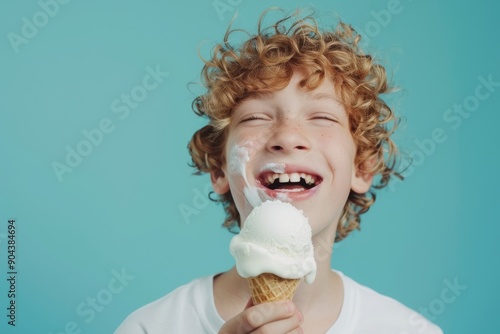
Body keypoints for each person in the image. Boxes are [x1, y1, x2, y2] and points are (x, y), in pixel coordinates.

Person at [115, 8, 443, 334]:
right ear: (219, 170)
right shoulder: (149, 327)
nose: (287, 137)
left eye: (322, 117)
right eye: (256, 117)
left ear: (362, 166)